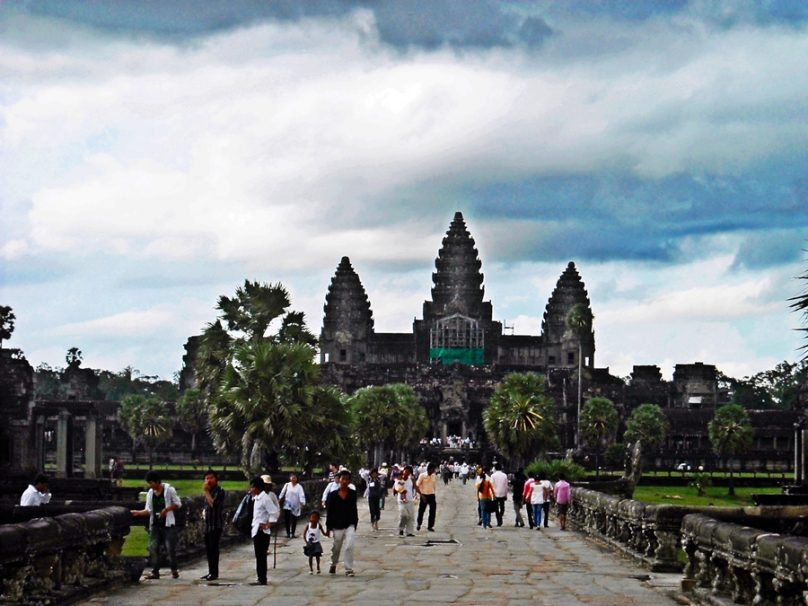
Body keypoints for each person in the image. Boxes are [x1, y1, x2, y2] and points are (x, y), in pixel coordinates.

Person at [131, 471, 182, 580]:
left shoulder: (169, 490)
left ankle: (174, 569)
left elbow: (178, 504)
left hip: (167, 524)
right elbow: (149, 510)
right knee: (153, 548)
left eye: (151, 483)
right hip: (155, 524)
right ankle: (155, 571)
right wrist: (138, 512)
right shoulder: (150, 493)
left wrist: (166, 509)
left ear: (157, 481)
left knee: (170, 548)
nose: (150, 485)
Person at [325, 470, 358, 576]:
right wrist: (328, 527)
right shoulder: (333, 495)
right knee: (336, 546)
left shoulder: (352, 494)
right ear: (339, 480)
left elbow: (354, 509)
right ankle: (333, 563)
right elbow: (329, 511)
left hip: (349, 523)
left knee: (350, 545)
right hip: (337, 524)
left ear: (349, 481)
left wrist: (355, 522)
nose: (344, 481)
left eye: (347, 479)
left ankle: (348, 568)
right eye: (343, 479)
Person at [250, 476, 279, 586]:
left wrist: (269, 524)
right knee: (259, 555)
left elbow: (274, 512)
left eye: (253, 487)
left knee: (261, 555)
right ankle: (260, 576)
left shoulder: (265, 498)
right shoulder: (257, 498)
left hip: (262, 531)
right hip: (256, 529)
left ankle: (262, 578)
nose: (251, 489)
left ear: (257, 487)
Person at [201, 470, 225, 581]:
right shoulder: (208, 492)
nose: (208, 480)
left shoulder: (219, 491)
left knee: (214, 549)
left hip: (216, 524)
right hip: (208, 525)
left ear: (216, 479)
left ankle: (214, 573)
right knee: (208, 550)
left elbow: (213, 504)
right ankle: (210, 571)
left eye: (211, 478)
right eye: (206, 478)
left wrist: (206, 492)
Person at [279, 473, 306, 538]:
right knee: (287, 519)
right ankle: (288, 533)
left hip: (295, 505)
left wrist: (302, 502)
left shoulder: (299, 487)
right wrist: (279, 499)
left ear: (296, 479)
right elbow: (282, 493)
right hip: (287, 504)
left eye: (294, 477)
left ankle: (293, 533)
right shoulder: (287, 485)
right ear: (290, 478)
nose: (293, 479)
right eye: (292, 477)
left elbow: (301, 495)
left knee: (294, 519)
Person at [394, 465, 416, 537]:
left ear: (410, 473)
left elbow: (414, 487)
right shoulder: (399, 479)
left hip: (410, 500)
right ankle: (401, 528)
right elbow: (397, 488)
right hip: (401, 501)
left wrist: (417, 495)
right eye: (405, 470)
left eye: (408, 471)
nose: (406, 472)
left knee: (410, 517)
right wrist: (401, 491)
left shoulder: (411, 479)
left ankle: (409, 532)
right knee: (404, 515)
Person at [415, 462, 437, 532]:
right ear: (430, 469)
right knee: (421, 511)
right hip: (424, 495)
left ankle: (430, 526)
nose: (434, 470)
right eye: (433, 469)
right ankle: (419, 523)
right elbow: (417, 485)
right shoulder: (422, 475)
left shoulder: (433, 476)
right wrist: (421, 495)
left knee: (432, 511)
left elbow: (434, 485)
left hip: (431, 495)